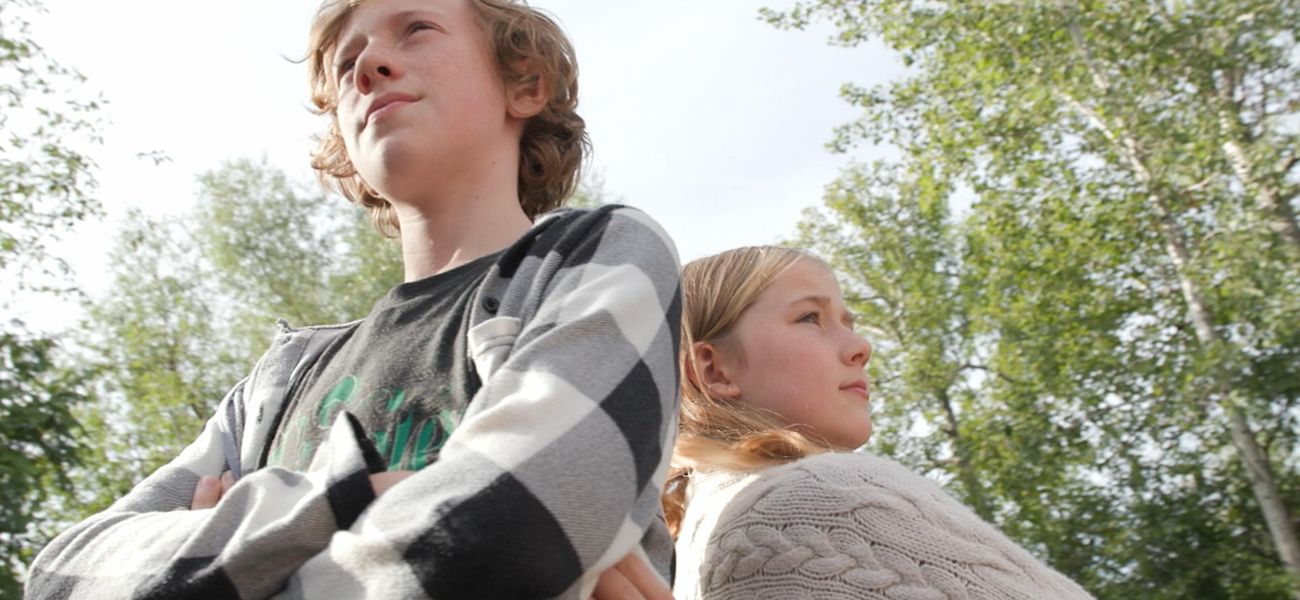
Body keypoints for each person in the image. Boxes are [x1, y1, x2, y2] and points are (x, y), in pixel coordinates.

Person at [27, 1, 679, 598]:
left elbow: (510, 530)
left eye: (416, 29)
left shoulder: (597, 257)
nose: (368, 66)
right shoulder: (278, 381)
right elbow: (63, 575)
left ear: (526, 84)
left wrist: (224, 557)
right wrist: (343, 499)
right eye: (345, 65)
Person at [664, 246, 1093, 600]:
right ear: (714, 369)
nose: (861, 346)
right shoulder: (819, 495)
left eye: (849, 323)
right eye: (810, 317)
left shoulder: (683, 553)